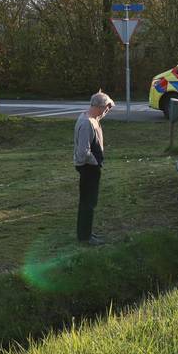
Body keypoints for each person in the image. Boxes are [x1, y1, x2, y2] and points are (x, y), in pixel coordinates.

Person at [73, 90, 115, 245]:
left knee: (90, 201)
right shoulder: (86, 123)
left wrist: (109, 102)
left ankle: (86, 232)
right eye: (106, 108)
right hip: (88, 168)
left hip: (90, 167)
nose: (107, 111)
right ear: (99, 107)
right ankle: (85, 237)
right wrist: (95, 162)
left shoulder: (93, 117)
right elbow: (83, 152)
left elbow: (106, 109)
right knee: (88, 202)